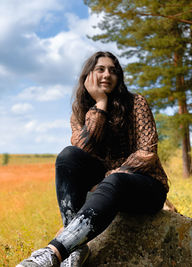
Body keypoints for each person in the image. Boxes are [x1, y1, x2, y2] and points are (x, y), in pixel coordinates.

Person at [17, 51, 169, 267]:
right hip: (107, 191)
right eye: (100, 69)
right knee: (67, 156)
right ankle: (75, 249)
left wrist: (109, 176)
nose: (107, 74)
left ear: (119, 77)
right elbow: (82, 150)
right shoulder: (80, 111)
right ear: (88, 75)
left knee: (115, 181)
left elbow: (147, 154)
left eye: (113, 70)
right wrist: (100, 104)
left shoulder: (137, 103)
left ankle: (54, 253)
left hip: (146, 188)